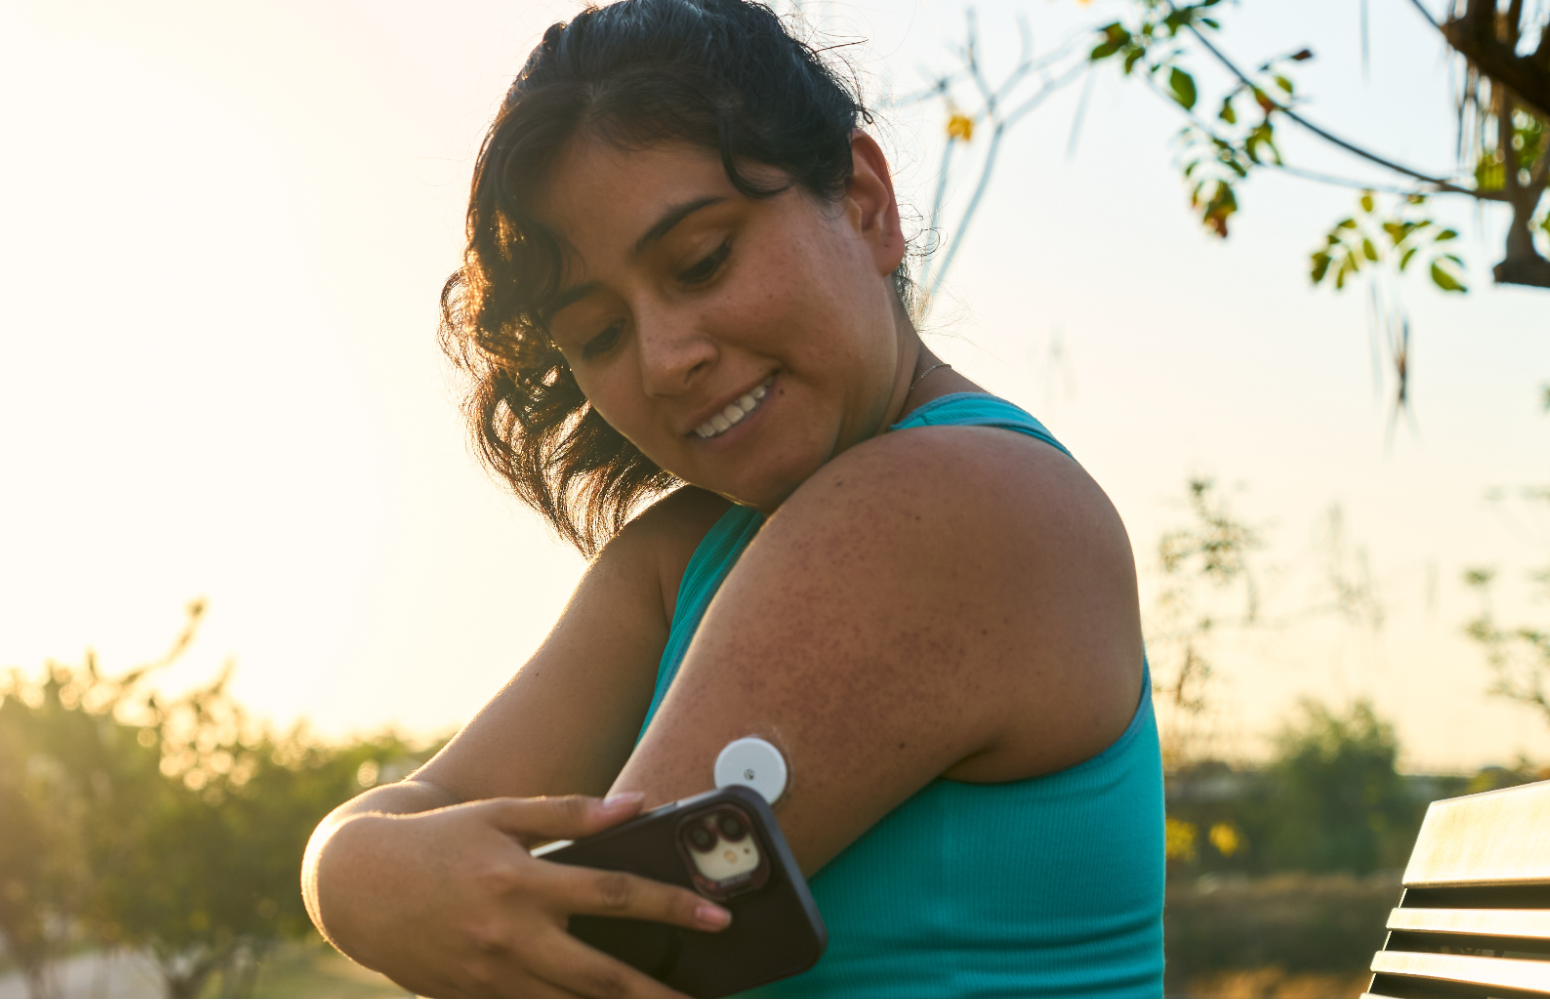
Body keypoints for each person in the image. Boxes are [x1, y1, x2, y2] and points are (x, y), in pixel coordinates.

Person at [300, 1, 1165, 996]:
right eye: (597, 335)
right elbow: (431, 804)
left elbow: (584, 951)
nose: (665, 360)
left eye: (701, 260)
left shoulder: (954, 502)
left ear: (864, 202)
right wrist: (348, 869)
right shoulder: (681, 553)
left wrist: (373, 878)